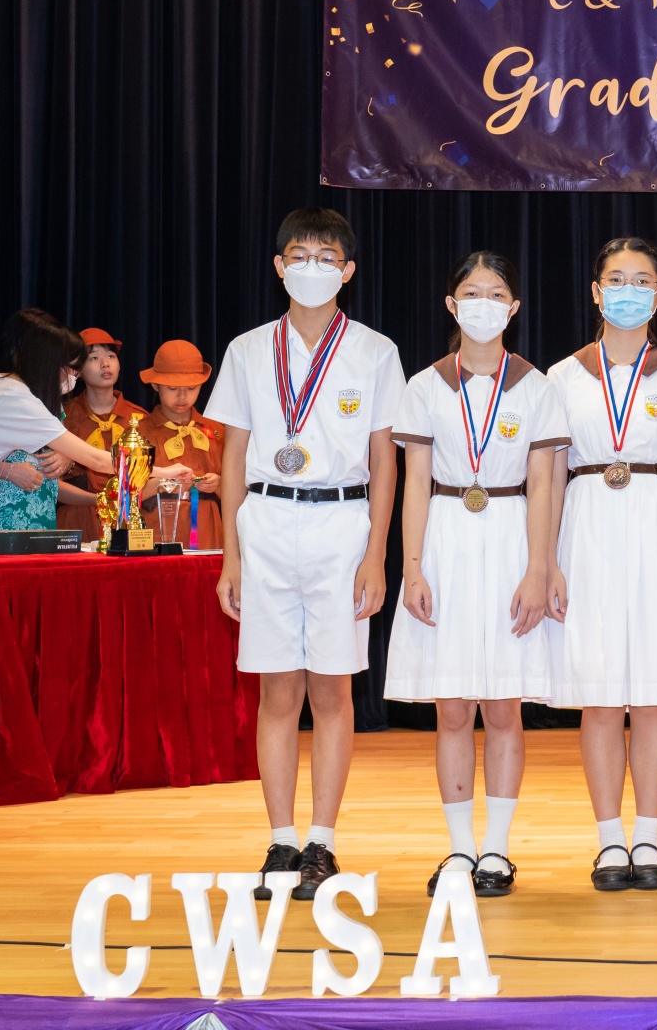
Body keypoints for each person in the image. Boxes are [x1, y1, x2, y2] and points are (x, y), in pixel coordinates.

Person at [207, 208, 405, 902]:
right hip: (265, 520)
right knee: (276, 690)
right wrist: (231, 556)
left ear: (347, 271)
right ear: (279, 266)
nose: (312, 267)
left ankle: (322, 839)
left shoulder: (376, 351)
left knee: (332, 689)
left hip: (342, 522)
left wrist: (377, 554)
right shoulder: (247, 349)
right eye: (300, 255)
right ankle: (281, 839)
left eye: (327, 257)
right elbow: (232, 457)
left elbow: (385, 459)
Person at [387, 251, 565, 897]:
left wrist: (539, 567)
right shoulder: (424, 385)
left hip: (512, 538)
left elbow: (544, 484)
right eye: (471, 292)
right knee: (453, 707)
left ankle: (497, 849)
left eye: (496, 294)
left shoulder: (537, 387)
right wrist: (412, 568)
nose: (483, 304)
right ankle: (460, 848)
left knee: (504, 705)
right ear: (451, 305)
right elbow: (414, 484)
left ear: (513, 308)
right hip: (445, 538)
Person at [545, 237, 657, 891]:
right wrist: (548, 561)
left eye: (642, 281)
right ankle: (609, 841)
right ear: (595, 291)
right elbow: (550, 478)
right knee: (599, 698)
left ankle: (648, 837)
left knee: (653, 698)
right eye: (616, 279)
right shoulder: (562, 377)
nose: (628, 292)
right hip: (586, 531)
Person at [0, 310, 166, 532]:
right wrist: (165, 472)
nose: (70, 375)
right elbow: (95, 460)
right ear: (45, 363)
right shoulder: (15, 397)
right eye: (66, 368)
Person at [55, 329, 149, 541]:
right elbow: (51, 484)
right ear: (77, 369)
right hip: (75, 521)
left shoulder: (139, 419)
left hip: (126, 521)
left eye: (111, 356)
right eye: (94, 358)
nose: (105, 364)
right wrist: (97, 499)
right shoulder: (63, 417)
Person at [135, 341, 226, 549]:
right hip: (158, 527)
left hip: (207, 529)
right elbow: (123, 493)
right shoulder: (140, 433)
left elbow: (241, 492)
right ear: (155, 385)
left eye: (191, 388)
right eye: (173, 388)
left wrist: (219, 484)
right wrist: (164, 483)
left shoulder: (217, 431)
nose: (182, 397)